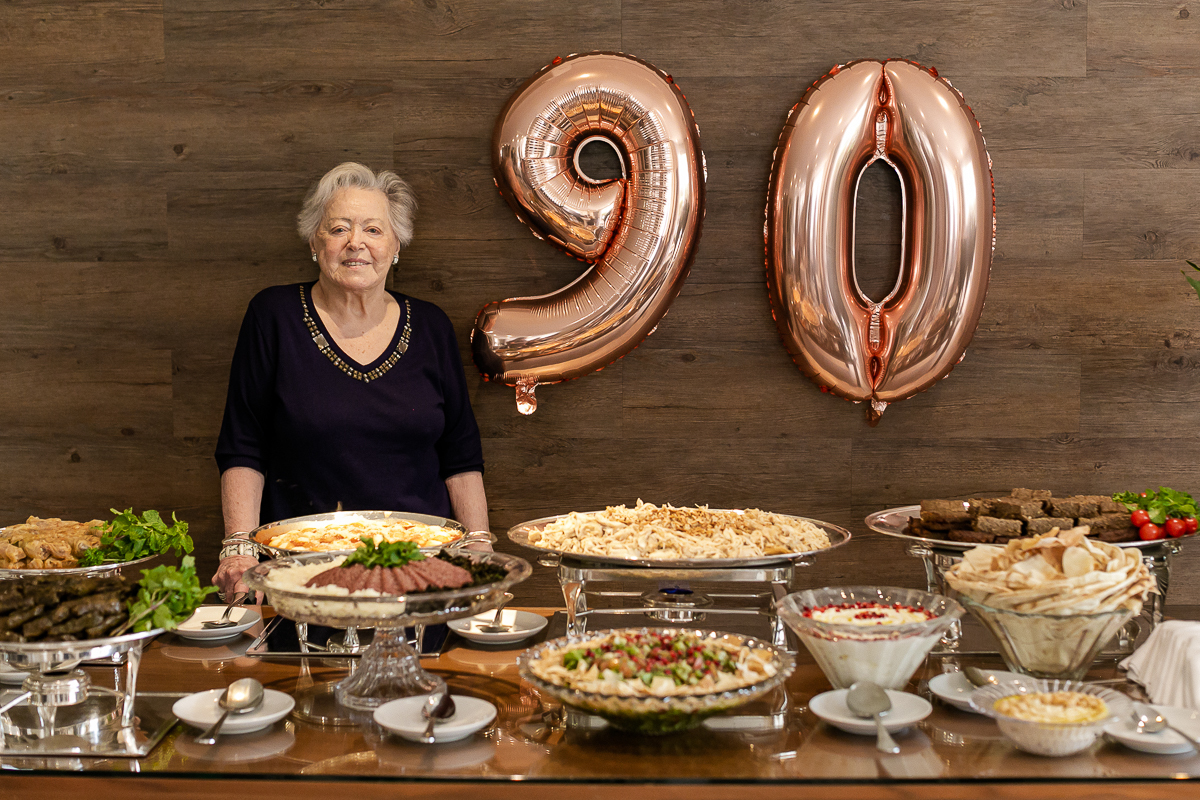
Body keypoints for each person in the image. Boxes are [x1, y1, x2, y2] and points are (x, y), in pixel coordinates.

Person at [212, 162, 490, 599]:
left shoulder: (432, 326)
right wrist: (238, 547)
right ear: (314, 241)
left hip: (420, 574)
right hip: (301, 573)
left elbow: (459, 455)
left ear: (396, 245)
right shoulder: (274, 316)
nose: (355, 243)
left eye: (373, 230)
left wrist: (477, 544)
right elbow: (244, 446)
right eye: (338, 228)